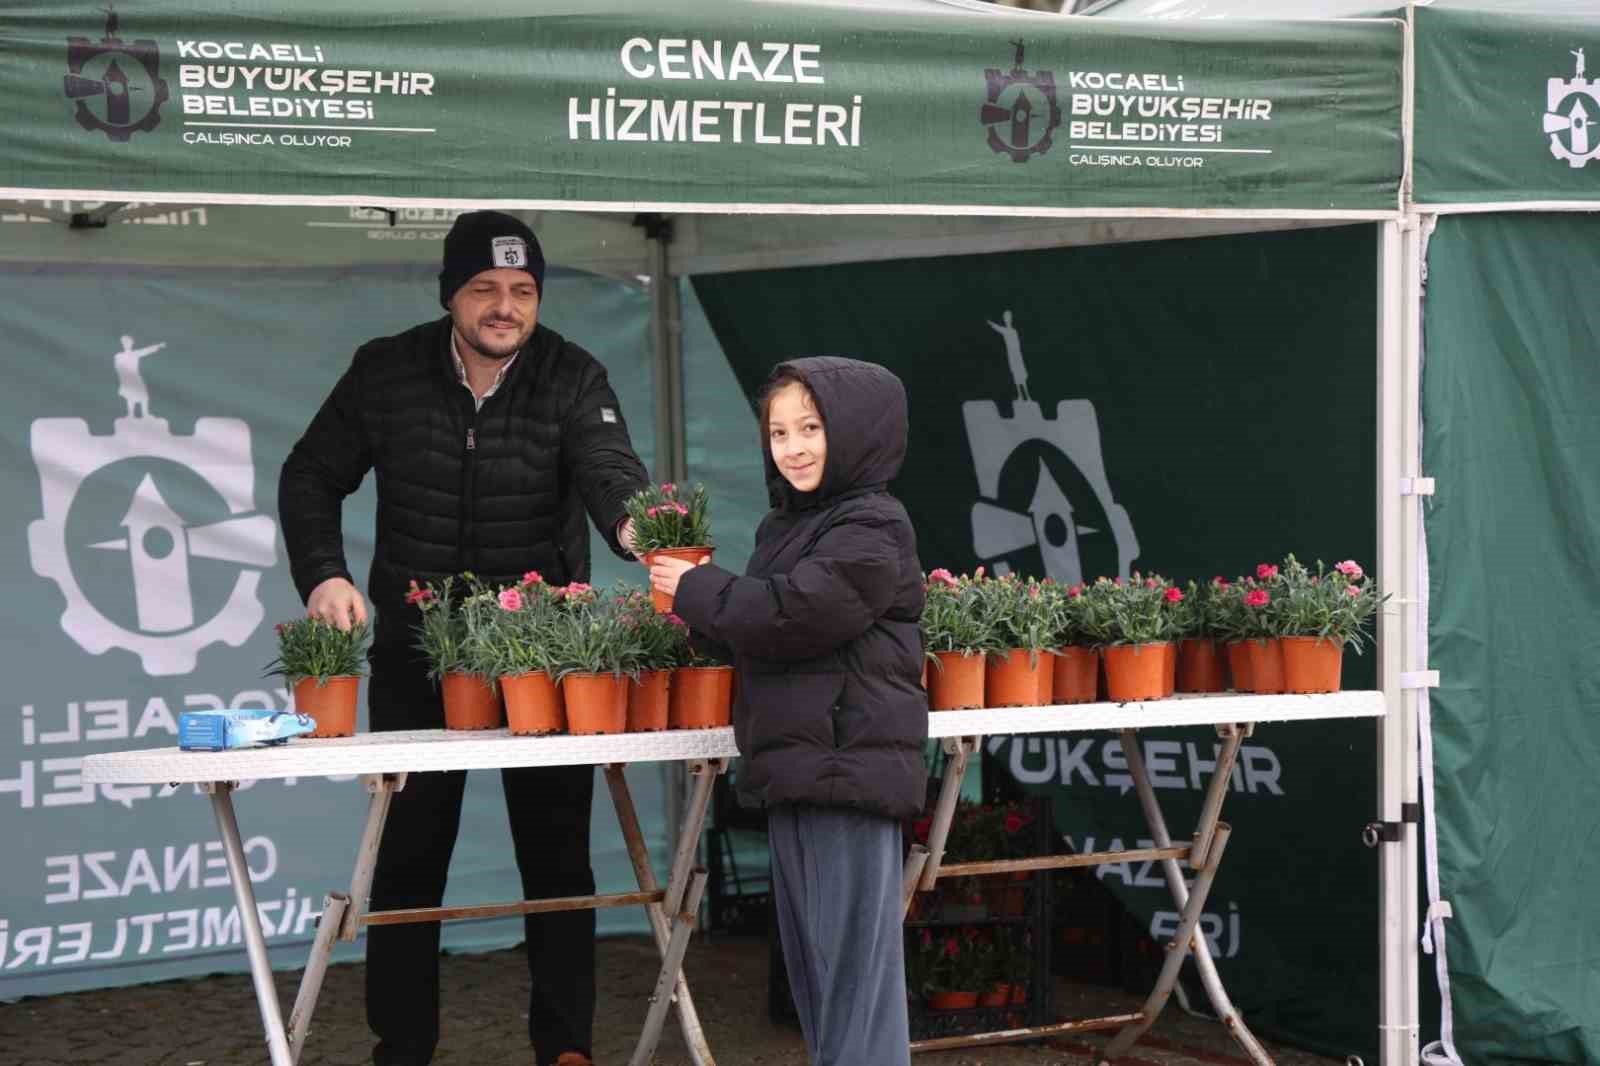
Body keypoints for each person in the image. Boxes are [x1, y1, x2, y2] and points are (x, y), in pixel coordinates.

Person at [279, 210, 649, 1066]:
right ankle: (402, 1047)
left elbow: (610, 471)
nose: (504, 307)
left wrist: (640, 529)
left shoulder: (573, 375)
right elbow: (311, 474)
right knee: (409, 859)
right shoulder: (385, 371)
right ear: (450, 293)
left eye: (522, 290)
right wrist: (324, 574)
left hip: (543, 656)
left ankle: (567, 1048)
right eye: (484, 288)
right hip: (416, 651)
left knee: (558, 860)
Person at [648, 357, 928, 1066]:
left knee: (853, 980)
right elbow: (767, 628)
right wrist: (701, 616)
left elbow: (797, 615)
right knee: (819, 975)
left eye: (811, 428)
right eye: (778, 432)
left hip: (847, 774)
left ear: (858, 432)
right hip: (801, 768)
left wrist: (698, 589)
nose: (793, 448)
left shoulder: (873, 525)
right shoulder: (791, 524)